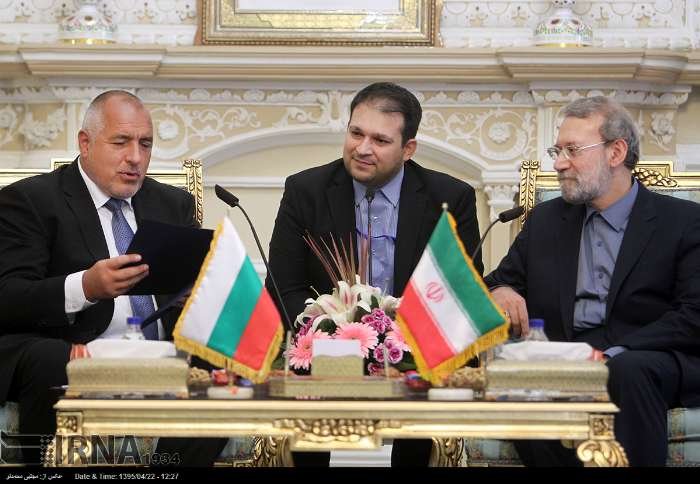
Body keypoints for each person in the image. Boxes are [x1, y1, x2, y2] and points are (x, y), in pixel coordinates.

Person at [0, 90, 225, 466]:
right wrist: (85, 287)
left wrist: (196, 296)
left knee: (221, 357)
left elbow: (193, 292)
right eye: (121, 142)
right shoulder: (32, 201)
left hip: (157, 354)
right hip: (72, 350)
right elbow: (8, 297)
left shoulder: (172, 204)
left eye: (145, 144)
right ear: (85, 143)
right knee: (49, 359)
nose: (135, 157)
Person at [266, 82, 483, 466]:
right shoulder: (306, 190)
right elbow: (285, 285)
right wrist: (327, 332)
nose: (363, 148)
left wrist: (401, 342)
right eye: (356, 133)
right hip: (325, 348)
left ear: (408, 149)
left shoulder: (450, 199)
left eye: (380, 140)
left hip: (416, 348)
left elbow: (460, 291)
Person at [484, 96, 700, 466]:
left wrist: (611, 355)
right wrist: (500, 290)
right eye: (557, 151)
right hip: (566, 356)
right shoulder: (546, 221)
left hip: (648, 357)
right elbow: (498, 282)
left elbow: (694, 314)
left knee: (625, 372)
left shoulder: (683, 221)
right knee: (515, 374)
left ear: (616, 152)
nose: (558, 163)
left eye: (572, 150)